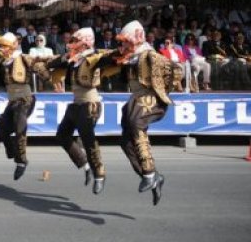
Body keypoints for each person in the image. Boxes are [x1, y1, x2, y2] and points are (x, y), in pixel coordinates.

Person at [37, 28, 115, 194]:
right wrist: (64, 57)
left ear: (85, 42)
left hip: (90, 104)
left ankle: (99, 173)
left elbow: (112, 57)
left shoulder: (95, 57)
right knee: (62, 135)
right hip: (76, 104)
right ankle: (85, 164)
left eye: (75, 41)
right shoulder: (73, 59)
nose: (71, 44)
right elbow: (49, 64)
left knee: (88, 139)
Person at [115, 20, 182, 206]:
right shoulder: (129, 56)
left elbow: (177, 71)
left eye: (126, 41)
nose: (123, 45)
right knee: (125, 142)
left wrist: (163, 89)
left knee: (137, 122)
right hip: (136, 99)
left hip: (151, 98)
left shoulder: (150, 54)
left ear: (137, 37)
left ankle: (150, 173)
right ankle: (152, 177)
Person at [0, 32, 49, 181]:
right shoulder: (0, 60)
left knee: (20, 129)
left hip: (25, 100)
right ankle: (12, 151)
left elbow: (45, 74)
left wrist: (40, 69)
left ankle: (21, 161)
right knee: (1, 127)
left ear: (13, 46)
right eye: (0, 45)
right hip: (12, 101)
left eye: (4, 45)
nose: (1, 48)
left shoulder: (24, 58)